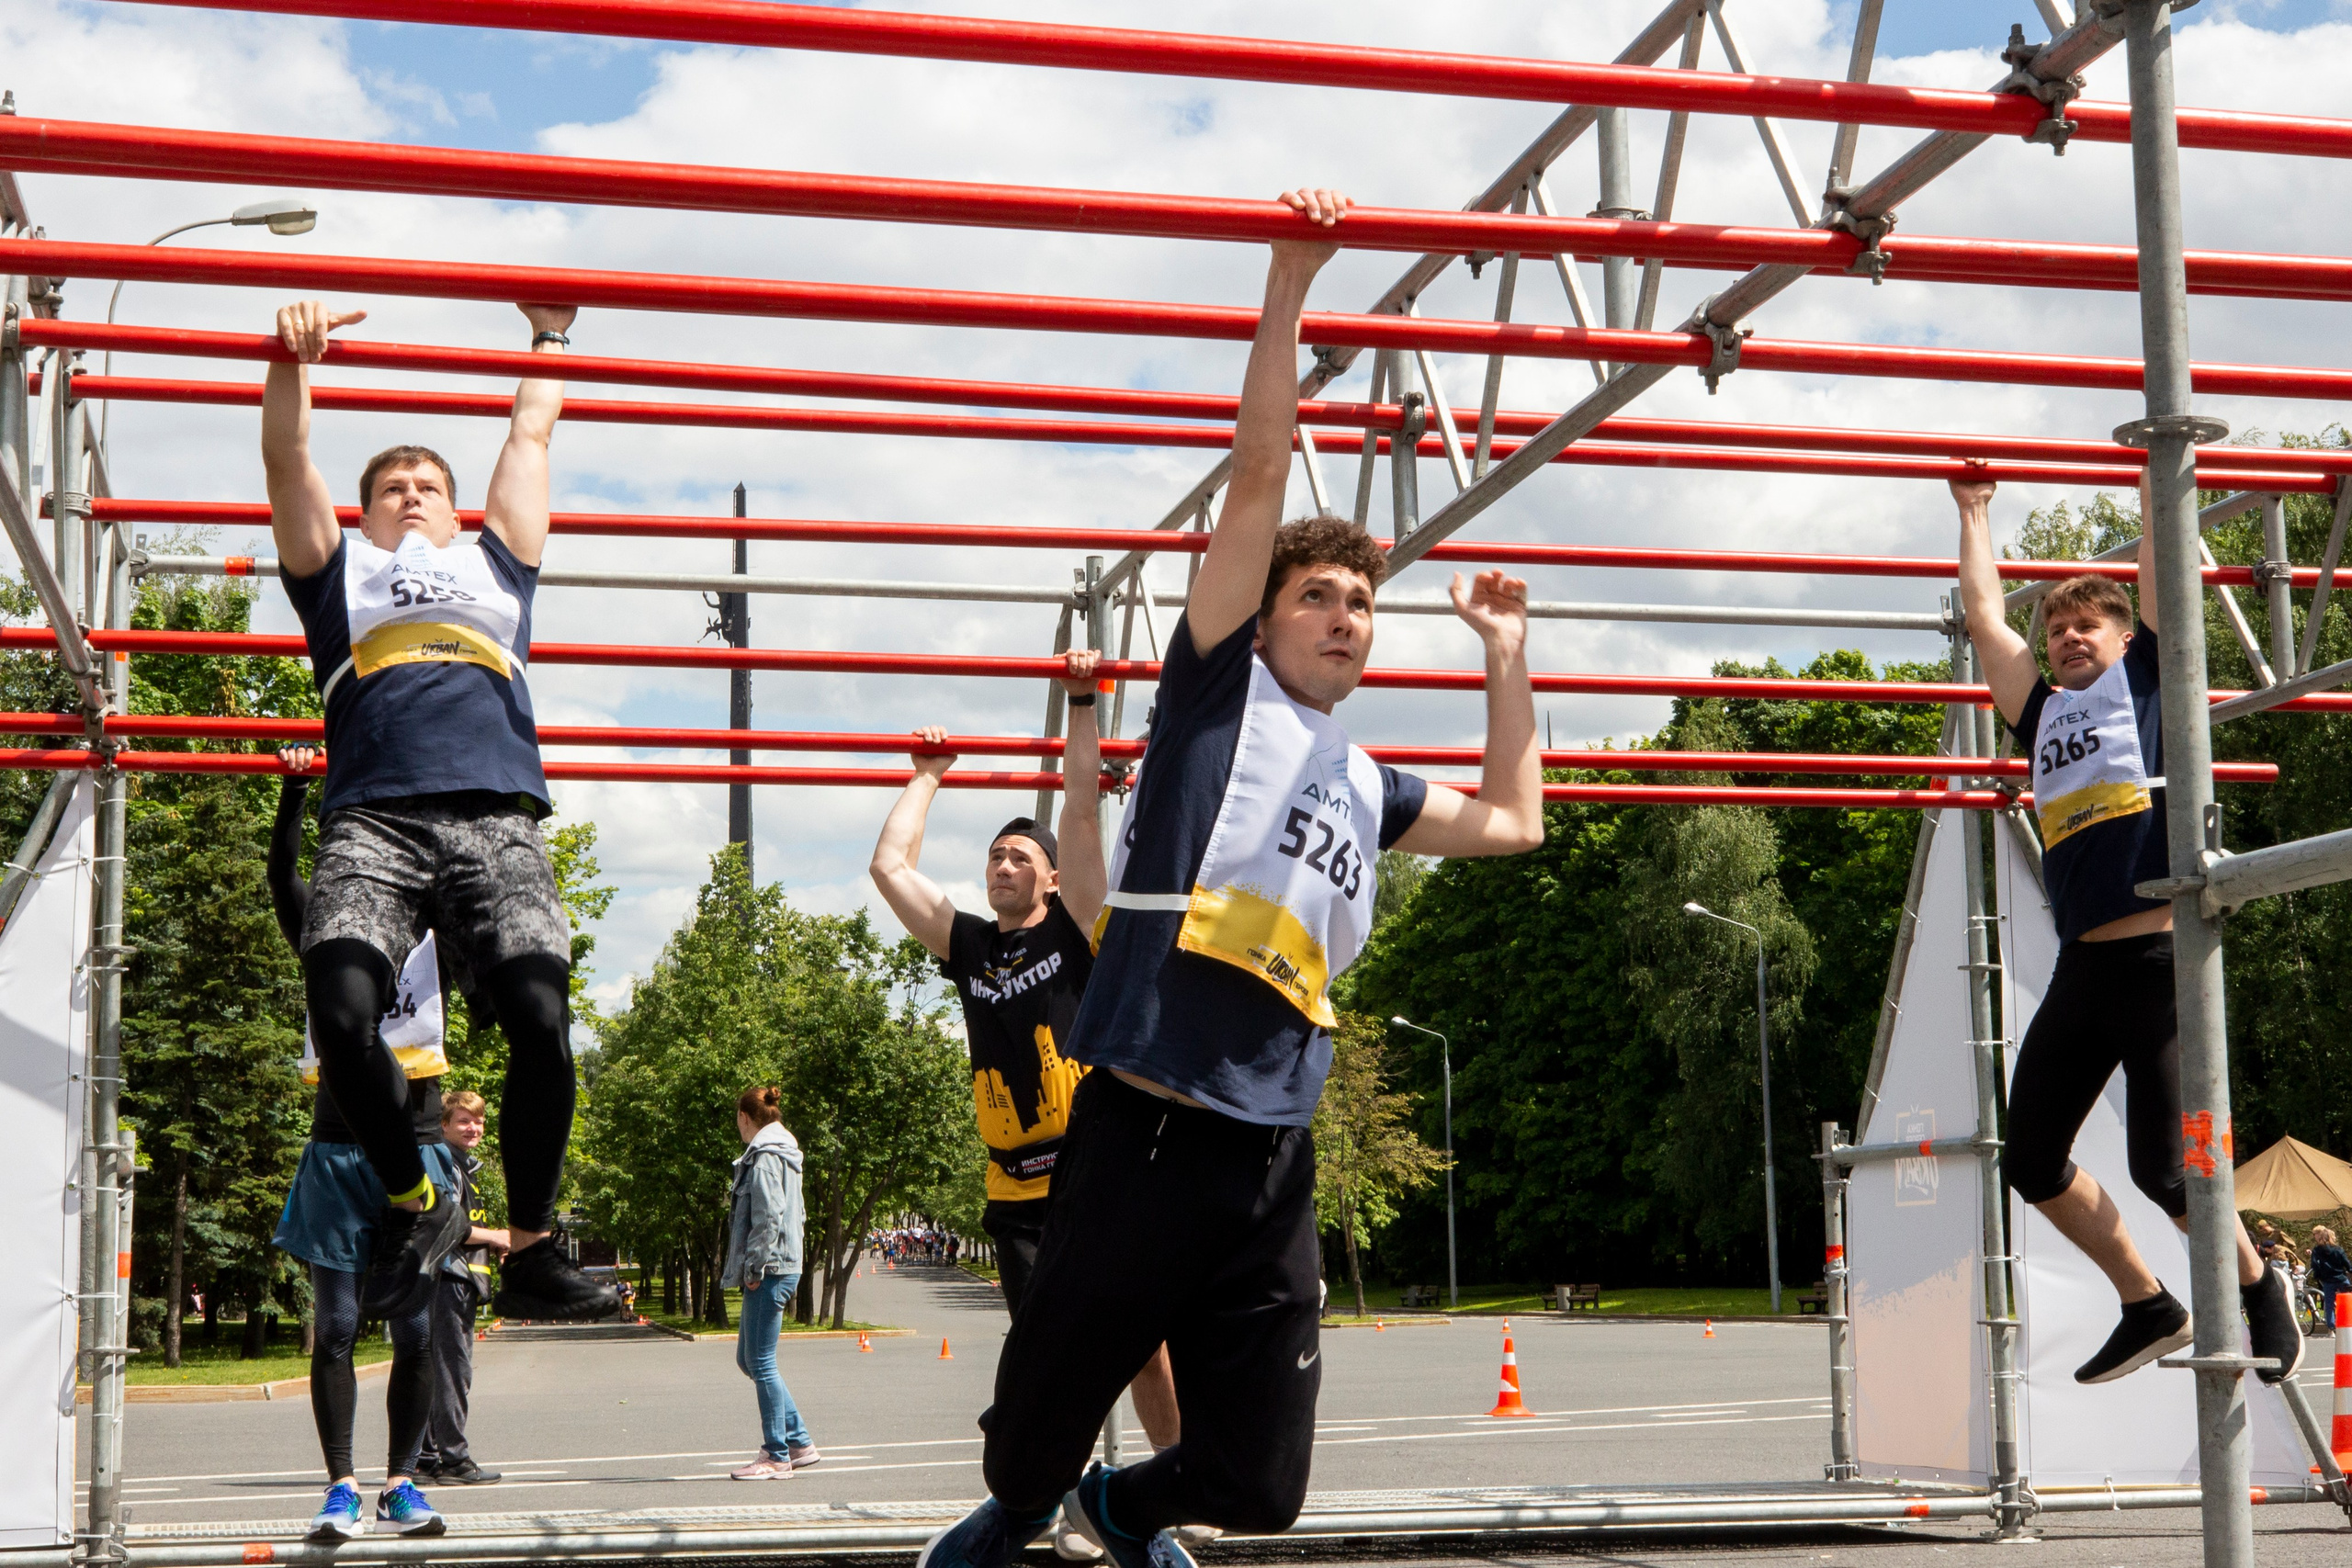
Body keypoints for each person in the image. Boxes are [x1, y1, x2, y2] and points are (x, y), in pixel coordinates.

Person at [918, 186, 1544, 1568]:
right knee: (1026, 1438)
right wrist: (1288, 285)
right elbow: (1256, 480)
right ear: (1259, 617)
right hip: (1139, 1129)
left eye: (1362, 603)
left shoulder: (1365, 779)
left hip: (1270, 1153)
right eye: (1317, 595)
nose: (1344, 615)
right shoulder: (1213, 699)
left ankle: (1120, 1506)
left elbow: (1514, 820)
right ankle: (1026, 1500)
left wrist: (1506, 653)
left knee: (1260, 1486)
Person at [263, 297, 617, 1325]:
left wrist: (549, 338)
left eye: (426, 486)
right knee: (340, 1015)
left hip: (496, 819)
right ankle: (418, 1207)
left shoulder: (495, 566)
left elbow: (531, 435)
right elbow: (288, 461)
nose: (410, 496)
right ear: (364, 513)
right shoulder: (338, 578)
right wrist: (293, 360)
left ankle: (538, 1247)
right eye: (390, 488)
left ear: (456, 513)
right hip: (372, 820)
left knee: (544, 1023)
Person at [1952, 473, 2300, 1385]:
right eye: (2057, 629)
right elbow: (1988, 623)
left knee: (2172, 1175)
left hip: (2158, 962)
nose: (2067, 637)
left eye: (2085, 626)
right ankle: (2148, 1302)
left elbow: (2159, 572)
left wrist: (2155, 463)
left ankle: (2260, 1290)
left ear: (2121, 637)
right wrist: (1972, 513)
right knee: (2029, 1159)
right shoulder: (2037, 715)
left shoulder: (2146, 676)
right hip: (2083, 971)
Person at [871, 650, 1182, 1561]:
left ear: (1048, 879)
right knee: (1045, 1356)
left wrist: (1083, 702)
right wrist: (926, 777)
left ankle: (1174, 1479)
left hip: (1092, 1168)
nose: (1003, 864)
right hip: (1013, 1192)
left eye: (1020, 856)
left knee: (1140, 1339)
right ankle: (1044, 1499)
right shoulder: (970, 948)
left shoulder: (1080, 929)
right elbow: (891, 867)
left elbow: (1080, 805)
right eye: (995, 855)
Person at [266, 743, 453, 1540]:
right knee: (338, 1326)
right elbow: (284, 882)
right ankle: (340, 1485)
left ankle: (402, 1484)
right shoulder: (326, 934)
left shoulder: (436, 939)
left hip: (414, 1149)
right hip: (338, 1153)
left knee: (415, 1331)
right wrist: (294, 794)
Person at [722, 1086, 820, 1480]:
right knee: (749, 1359)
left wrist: (754, 1269)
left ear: (747, 1118)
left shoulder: (764, 1158)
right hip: (782, 1265)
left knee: (760, 1362)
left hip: (771, 1268)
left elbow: (769, 1218)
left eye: (737, 1121)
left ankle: (777, 1456)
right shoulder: (784, 1153)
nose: (738, 1129)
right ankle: (799, 1442)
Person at [417, 1090, 507, 1485]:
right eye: (464, 1121)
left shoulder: (460, 1165)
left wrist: (489, 1242)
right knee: (454, 1369)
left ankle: (423, 1458)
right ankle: (453, 1460)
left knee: (440, 1371)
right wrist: (498, 1236)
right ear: (443, 1125)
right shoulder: (442, 1161)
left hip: (454, 1279)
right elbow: (445, 1222)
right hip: (446, 1279)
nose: (475, 1128)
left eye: (480, 1121)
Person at [2309, 1226, 2351, 1332]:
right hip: (2341, 1278)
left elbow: (2315, 1265)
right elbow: (2347, 1264)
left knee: (2329, 1304)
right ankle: (2348, 1321)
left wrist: (2318, 1276)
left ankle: (2331, 1326)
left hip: (2327, 1280)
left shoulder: (2317, 1250)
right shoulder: (2338, 1250)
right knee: (2347, 1301)